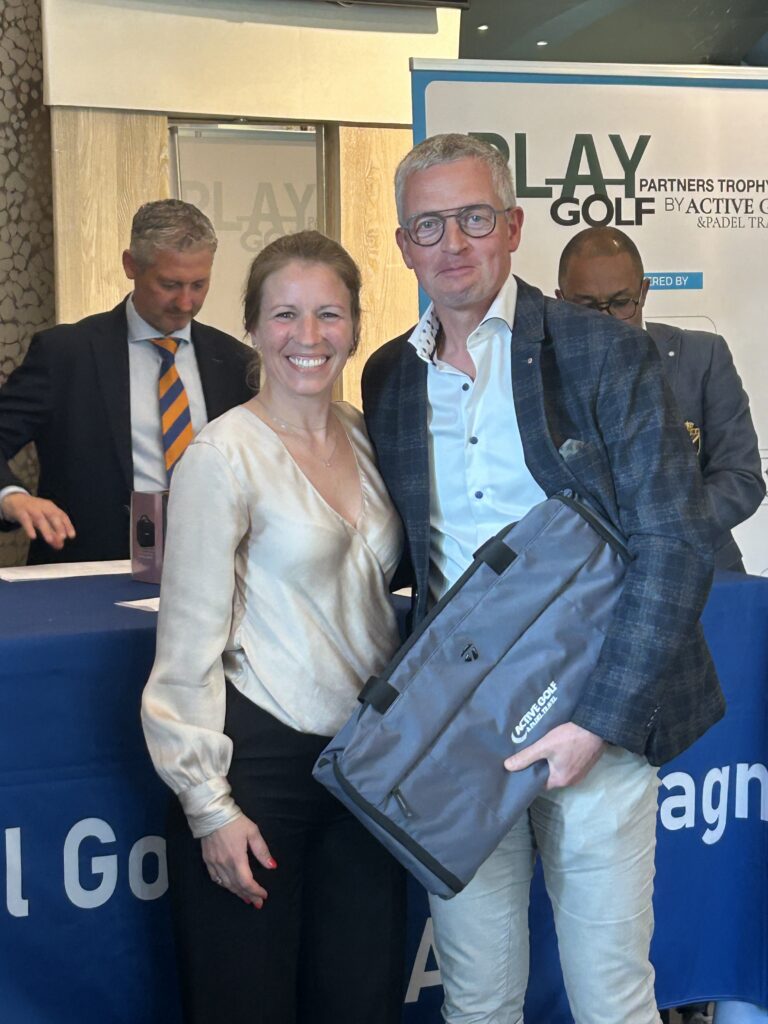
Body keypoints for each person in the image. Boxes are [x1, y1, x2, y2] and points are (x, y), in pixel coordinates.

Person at [361, 133, 725, 1024]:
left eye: (474, 218)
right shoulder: (389, 377)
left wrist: (596, 723)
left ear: (514, 227)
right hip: (459, 734)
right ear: (404, 244)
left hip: (596, 716)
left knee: (611, 999)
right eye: (429, 225)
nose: (453, 243)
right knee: (478, 1001)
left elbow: (674, 544)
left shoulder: (603, 352)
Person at [141, 230, 406, 1024]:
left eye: (329, 313)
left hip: (365, 767)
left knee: (361, 1003)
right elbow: (184, 650)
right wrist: (210, 806)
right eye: (286, 314)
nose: (308, 335)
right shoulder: (222, 456)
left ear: (355, 326)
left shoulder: (369, 436)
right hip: (258, 767)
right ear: (252, 326)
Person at [0, 198, 253, 564]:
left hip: (212, 567)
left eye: (199, 285)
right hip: (90, 571)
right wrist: (11, 496)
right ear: (130, 265)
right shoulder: (65, 354)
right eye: (170, 284)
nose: (185, 302)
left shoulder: (235, 362)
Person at [557, 225, 764, 573]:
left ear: (644, 292)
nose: (606, 321)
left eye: (621, 303)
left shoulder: (703, 357)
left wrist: (663, 531)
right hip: (588, 582)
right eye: (588, 307)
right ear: (561, 303)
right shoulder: (541, 375)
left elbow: (741, 479)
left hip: (703, 572)